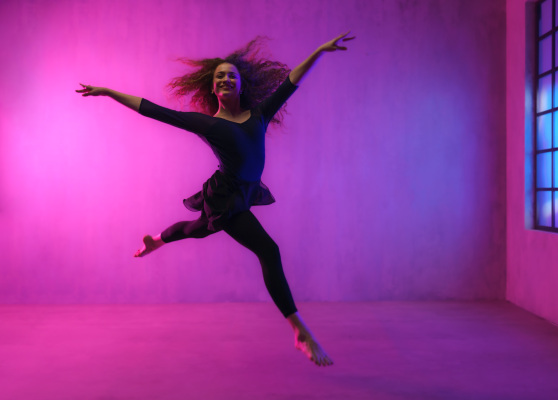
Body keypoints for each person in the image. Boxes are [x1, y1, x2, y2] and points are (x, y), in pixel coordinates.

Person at [76, 32, 355, 367]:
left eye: (231, 75)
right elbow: (153, 110)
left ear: (240, 85)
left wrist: (320, 50)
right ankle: (299, 330)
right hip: (225, 198)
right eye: (219, 75)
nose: (224, 78)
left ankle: (158, 239)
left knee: (197, 228)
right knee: (268, 250)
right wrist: (108, 91)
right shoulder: (207, 124)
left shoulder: (259, 115)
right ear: (213, 88)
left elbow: (290, 81)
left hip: (244, 192)